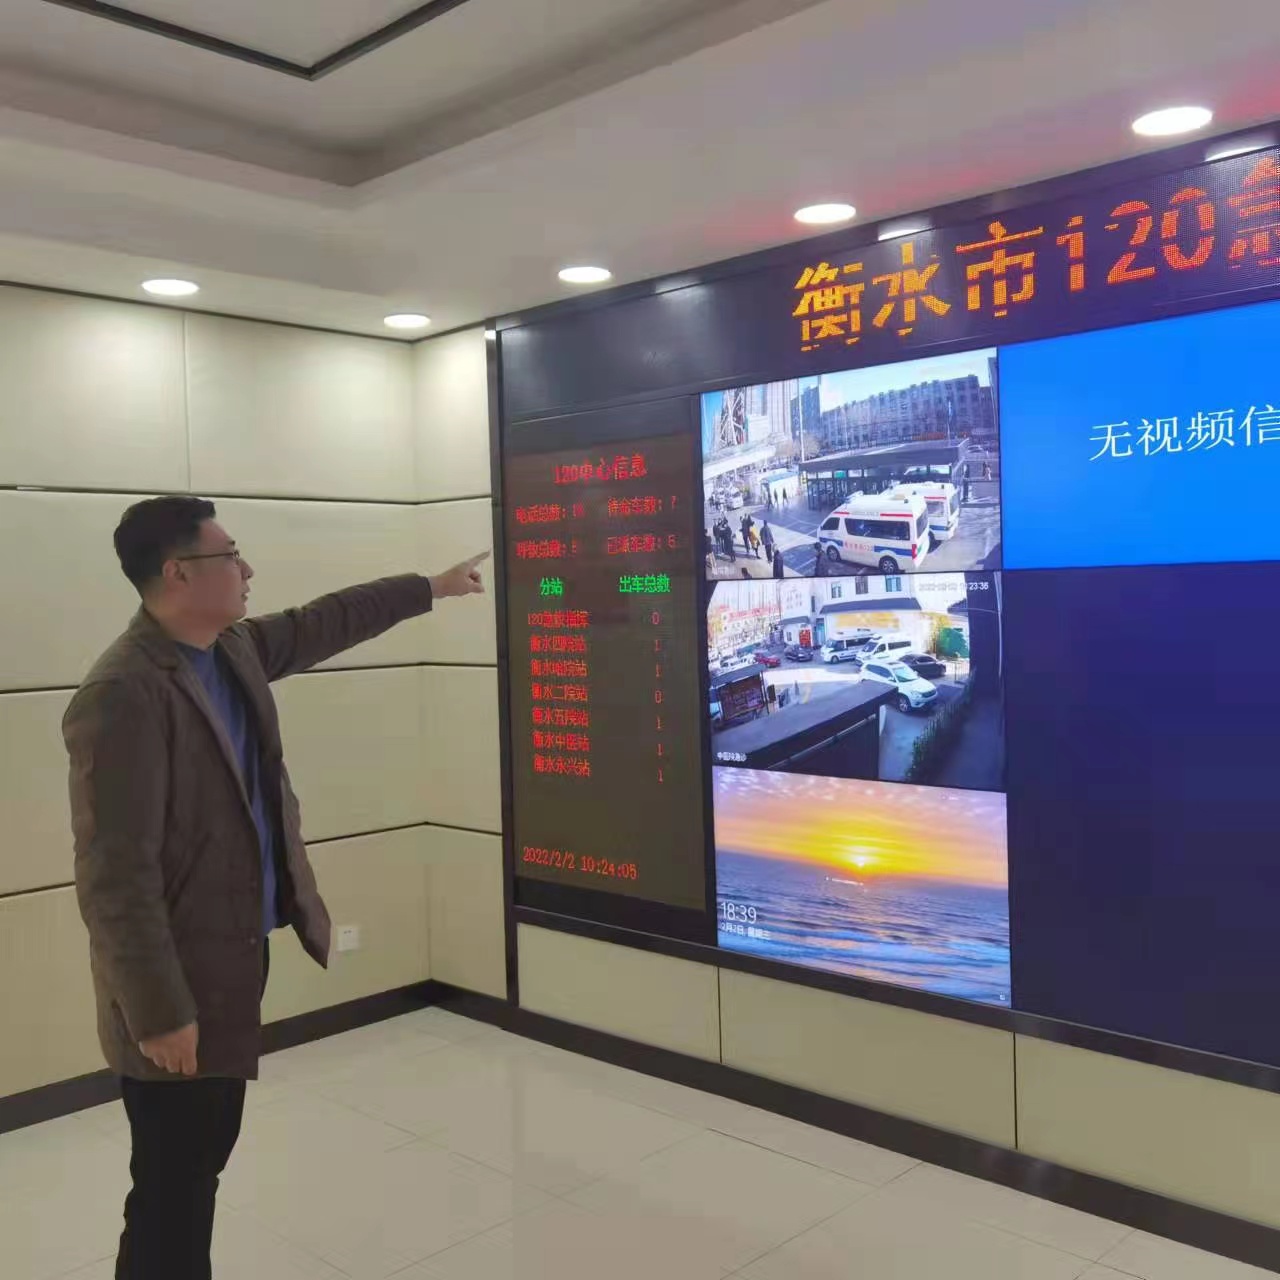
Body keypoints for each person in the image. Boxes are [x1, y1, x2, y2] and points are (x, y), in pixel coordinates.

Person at [64, 496, 487, 1280]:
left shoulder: (230, 649)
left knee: (198, 1166)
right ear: (178, 573)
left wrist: (432, 586)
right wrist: (158, 1013)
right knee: (172, 1184)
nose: (248, 569)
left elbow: (325, 621)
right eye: (231, 556)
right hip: (175, 983)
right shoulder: (124, 692)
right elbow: (114, 880)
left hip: (233, 958)